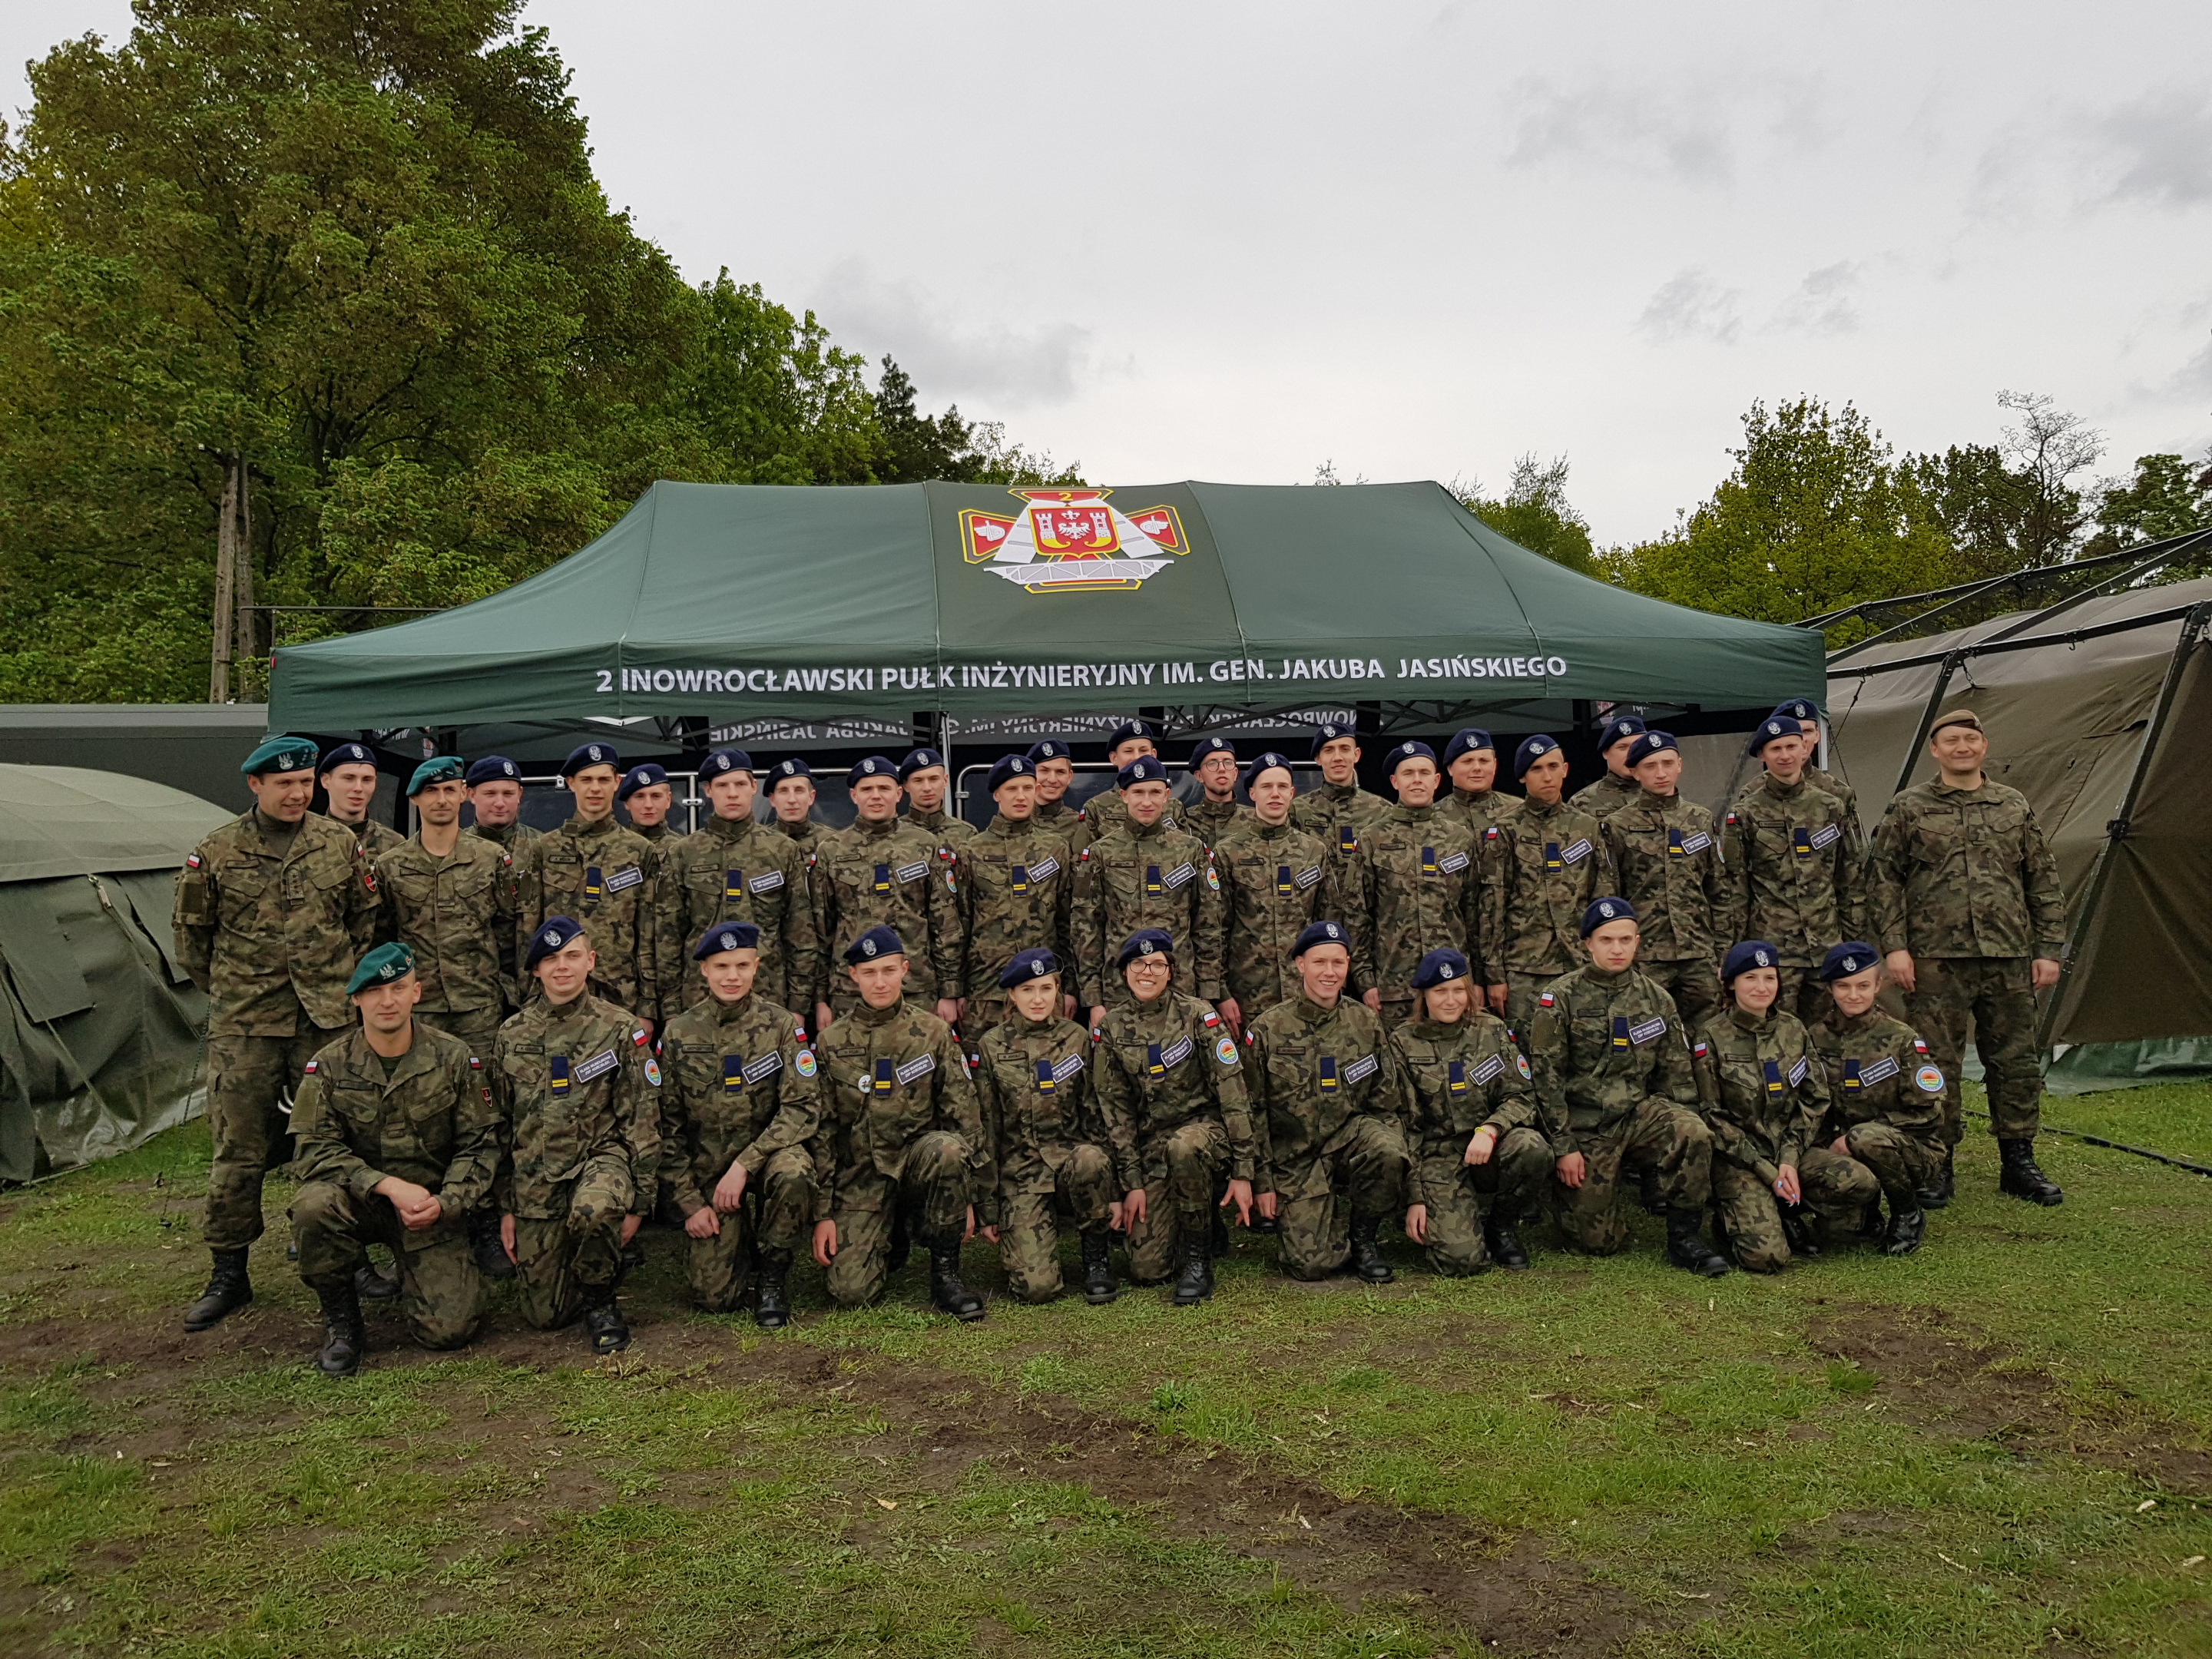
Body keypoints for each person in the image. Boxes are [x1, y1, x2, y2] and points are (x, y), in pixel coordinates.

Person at [173, 736, 380, 1331]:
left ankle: (349, 1256)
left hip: (325, 1020)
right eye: (283, 783)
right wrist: (241, 989)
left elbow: (363, 921)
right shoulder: (215, 852)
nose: (297, 792)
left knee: (336, 1143)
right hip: (247, 1023)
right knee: (238, 1149)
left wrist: (335, 979)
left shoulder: (338, 844)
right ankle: (229, 1272)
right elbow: (193, 941)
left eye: (305, 781)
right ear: (255, 785)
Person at [1866, 708, 2065, 1207]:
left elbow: (2041, 878)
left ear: (1983, 746)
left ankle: (2018, 1161)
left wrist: (2048, 949)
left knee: (2015, 1060)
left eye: (1970, 739)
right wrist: (1894, 948)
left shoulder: (2012, 805)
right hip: (1935, 959)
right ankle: (1938, 1163)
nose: (1962, 747)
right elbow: (1883, 881)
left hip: (2008, 955)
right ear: (1935, 750)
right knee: (1936, 1063)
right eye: (1951, 740)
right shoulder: (1909, 808)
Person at [286, 943, 498, 1374]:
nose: (388, 1001)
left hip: (429, 1208)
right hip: (358, 1201)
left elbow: (480, 1144)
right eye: (375, 991)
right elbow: (312, 1150)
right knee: (313, 1207)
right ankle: (343, 1321)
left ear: (416, 993)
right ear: (356, 1000)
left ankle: (417, 1273)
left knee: (449, 1331)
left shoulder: (454, 1057)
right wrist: (384, 1184)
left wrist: (448, 1202)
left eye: (398, 988)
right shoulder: (327, 1066)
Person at [372, 756, 521, 1277]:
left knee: (484, 1117)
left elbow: (509, 933)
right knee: (418, 1118)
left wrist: (504, 992)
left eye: (449, 790)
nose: (440, 800)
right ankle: (420, 1224)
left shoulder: (490, 861)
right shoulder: (390, 867)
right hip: (420, 1015)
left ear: (463, 796)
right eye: (429, 792)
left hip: (479, 1011)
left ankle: (483, 1220)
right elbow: (382, 939)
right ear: (414, 801)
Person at [1525, 898, 1730, 1276]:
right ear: (1587, 943)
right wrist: (1564, 1146)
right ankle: (1575, 1194)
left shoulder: (1657, 999)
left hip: (1637, 1114)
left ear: (1638, 942)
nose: (1616, 949)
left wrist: (1681, 1132)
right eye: (1606, 940)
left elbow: (1677, 1076)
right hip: (1585, 1125)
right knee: (1597, 1243)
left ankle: (1685, 1237)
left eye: (1624, 940)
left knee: (1692, 1131)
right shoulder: (1559, 998)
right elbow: (1546, 1079)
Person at [490, 918, 660, 1353]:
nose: (561, 967)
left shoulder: (620, 1029)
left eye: (571, 956)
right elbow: (499, 1125)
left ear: (591, 962)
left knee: (594, 1209)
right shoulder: (511, 1035)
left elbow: (641, 1117)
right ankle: (580, 1259)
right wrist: (507, 1206)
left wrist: (640, 1202)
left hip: (599, 1159)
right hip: (536, 1175)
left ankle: (602, 1300)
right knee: (544, 1315)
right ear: (535, 970)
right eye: (550, 959)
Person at [810, 926, 995, 1320]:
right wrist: (824, 1214)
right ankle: (889, 1235)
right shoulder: (831, 1042)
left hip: (917, 1164)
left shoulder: (933, 1032)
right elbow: (823, 1132)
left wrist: (975, 1199)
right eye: (870, 972)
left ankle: (946, 1274)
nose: (881, 982)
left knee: (947, 1149)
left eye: (889, 971)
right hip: (862, 1176)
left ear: (905, 970)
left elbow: (964, 1113)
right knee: (850, 1292)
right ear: (853, 976)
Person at [658, 922, 822, 1328]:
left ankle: (772, 1278)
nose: (732, 976)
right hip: (710, 1173)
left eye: (742, 965)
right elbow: (665, 1124)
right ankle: (739, 1242)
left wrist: (745, 1164)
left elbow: (801, 1107)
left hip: (766, 1158)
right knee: (714, 1297)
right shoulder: (679, 1033)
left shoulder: (781, 1026)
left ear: (756, 967)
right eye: (722, 966)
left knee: (795, 1171)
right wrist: (690, 1203)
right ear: (704, 970)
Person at [1090, 929, 1257, 1303]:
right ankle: (1199, 1223)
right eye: (1138, 964)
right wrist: (1132, 1183)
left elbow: (1233, 1092)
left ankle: (1199, 1261)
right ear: (1124, 971)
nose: (1146, 972)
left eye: (1157, 964)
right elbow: (1115, 1112)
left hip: (1205, 1135)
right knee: (1146, 1269)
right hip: (1153, 1146)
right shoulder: (1111, 1028)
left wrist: (1244, 1171)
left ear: (1170, 971)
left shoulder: (1199, 1016)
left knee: (1186, 1147)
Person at [1693, 940, 1876, 1273]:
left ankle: (1788, 1211)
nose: (1762, 988)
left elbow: (1815, 1098)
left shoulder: (1794, 1030)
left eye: (1769, 978)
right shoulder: (1711, 1036)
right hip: (1741, 1160)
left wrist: (1789, 1160)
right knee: (1768, 1258)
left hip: (1791, 1151)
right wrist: (1766, 1170)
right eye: (1750, 978)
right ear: (1731, 983)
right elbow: (1711, 1117)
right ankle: (1731, 1216)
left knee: (1859, 1182)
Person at [1245, 920, 1411, 1283]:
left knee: (1387, 1149)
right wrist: (1263, 1181)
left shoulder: (1365, 1022)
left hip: (1349, 1138)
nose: (1329, 972)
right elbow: (1252, 1113)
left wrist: (1404, 1170)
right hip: (1296, 1156)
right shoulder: (1267, 1029)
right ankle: (1326, 1223)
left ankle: (1364, 1237)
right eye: (1320, 962)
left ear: (1348, 965)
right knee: (1311, 1265)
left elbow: (1386, 1104)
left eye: (1338, 963)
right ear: (1300, 964)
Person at [972, 949, 1119, 1304]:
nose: (1038, 999)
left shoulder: (1078, 1039)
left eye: (1046, 988)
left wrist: (1113, 1191)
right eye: (1027, 990)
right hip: (1022, 1174)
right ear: (1011, 994)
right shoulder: (991, 1047)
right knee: (1036, 1289)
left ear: (1058, 991)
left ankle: (1096, 1257)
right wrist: (988, 1208)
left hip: (1071, 1163)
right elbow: (986, 1129)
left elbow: (1097, 1113)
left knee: (1090, 1159)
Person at [1393, 948, 1547, 1274]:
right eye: (1440, 992)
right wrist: (1415, 1197)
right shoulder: (1403, 1044)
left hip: (1488, 1149)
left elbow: (1523, 1097)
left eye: (1458, 990)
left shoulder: (1491, 1031)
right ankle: (1456, 1218)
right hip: (1438, 1158)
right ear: (1423, 995)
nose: (1450, 1000)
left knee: (1532, 1148)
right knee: (1461, 1260)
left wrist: (1491, 1129)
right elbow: (1403, 1127)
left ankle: (1501, 1226)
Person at [655, 748, 818, 1022]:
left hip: (769, 999)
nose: (732, 793)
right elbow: (667, 937)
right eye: (722, 785)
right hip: (699, 1001)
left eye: (740, 784)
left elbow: (800, 933)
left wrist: (799, 1006)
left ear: (754, 787)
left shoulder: (782, 850)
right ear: (708, 790)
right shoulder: (684, 853)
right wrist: (671, 1010)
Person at [1720, 717, 1863, 1022]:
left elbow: (1849, 878)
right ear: (1762, 756)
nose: (1784, 755)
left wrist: (1854, 941)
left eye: (1791, 746)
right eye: (1775, 749)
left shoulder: (1831, 807)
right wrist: (1734, 949)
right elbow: (1735, 887)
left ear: (1805, 749)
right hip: (1773, 950)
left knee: (1829, 1033)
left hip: (1827, 943)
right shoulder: (1745, 814)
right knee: (1775, 1033)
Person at [1069, 756, 1226, 1030]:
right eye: (1138, 792)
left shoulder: (1190, 850)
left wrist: (1208, 992)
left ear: (1166, 796)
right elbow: (1086, 927)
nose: (1146, 801)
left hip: (1180, 985)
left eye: (1154, 792)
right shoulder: (1101, 853)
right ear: (1124, 796)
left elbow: (1208, 924)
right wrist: (1093, 1000)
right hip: (1118, 987)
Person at [515, 743, 661, 1037]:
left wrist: (647, 1006)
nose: (595, 788)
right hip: (556, 993)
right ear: (571, 784)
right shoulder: (545, 849)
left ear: (617, 783)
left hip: (621, 996)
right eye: (586, 780)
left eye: (604, 780)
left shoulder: (639, 851)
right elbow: (528, 929)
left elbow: (649, 933)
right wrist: (529, 997)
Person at [810, 757, 963, 1030]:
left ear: (898, 793)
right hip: (850, 988)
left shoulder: (925, 845)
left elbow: (945, 923)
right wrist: (821, 997)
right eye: (867, 789)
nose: (876, 796)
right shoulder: (831, 850)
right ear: (854, 796)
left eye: (883, 788)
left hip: (916, 986)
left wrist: (950, 991)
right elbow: (821, 929)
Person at [1810, 942, 1944, 1253]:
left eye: (1863, 986)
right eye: (1843, 986)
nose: (1853, 995)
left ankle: (1907, 1212)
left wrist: (1860, 1135)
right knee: (1840, 1231)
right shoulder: (1815, 1037)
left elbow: (1931, 1113)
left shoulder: (1902, 1038)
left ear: (1878, 985)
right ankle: (1863, 1210)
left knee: (1866, 1138)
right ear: (1830, 988)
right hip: (1839, 1144)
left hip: (1909, 1148)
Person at [1483, 734, 1618, 1028]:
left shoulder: (1586, 826)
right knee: (1530, 1049)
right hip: (1525, 967)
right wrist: (1495, 975)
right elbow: (1493, 906)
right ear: (1522, 777)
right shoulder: (1506, 830)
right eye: (1537, 769)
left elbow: (1604, 897)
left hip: (1580, 961)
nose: (1547, 776)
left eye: (1553, 766)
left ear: (1565, 769)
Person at [1351, 741, 1485, 1030]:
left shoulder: (1460, 839)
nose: (1417, 780)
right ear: (1394, 781)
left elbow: (1474, 914)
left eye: (1424, 772)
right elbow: (1357, 915)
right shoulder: (1372, 839)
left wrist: (1477, 979)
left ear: (1437, 780)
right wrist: (1365, 981)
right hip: (1394, 984)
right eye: (1408, 773)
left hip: (1451, 982)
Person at [1212, 752, 1351, 1031]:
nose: (1274, 794)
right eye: (1266, 787)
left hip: (1307, 990)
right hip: (1247, 994)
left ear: (1292, 793)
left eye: (1281, 787)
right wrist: (1221, 992)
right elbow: (1214, 928)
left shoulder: (1314, 851)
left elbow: (1330, 922)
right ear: (1252, 792)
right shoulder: (1228, 852)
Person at [1601, 731, 1728, 1030]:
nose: (1660, 773)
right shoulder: (1617, 825)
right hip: (1646, 955)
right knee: (1647, 1036)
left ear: (1680, 765)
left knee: (1707, 1036)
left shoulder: (1700, 819)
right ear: (1634, 771)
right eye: (1650, 766)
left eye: (1667, 763)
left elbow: (1719, 890)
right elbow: (1609, 895)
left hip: (1698, 952)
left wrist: (1723, 952)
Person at [956, 753, 1076, 1037]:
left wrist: (1070, 987)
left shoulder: (1055, 848)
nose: (1021, 796)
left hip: (1044, 989)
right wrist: (954, 990)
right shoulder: (971, 851)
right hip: (986, 989)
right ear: (997, 794)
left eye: (1027, 788)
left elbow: (1069, 922)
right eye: (1012, 789)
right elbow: (958, 925)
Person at [1290, 719, 1390, 863]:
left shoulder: (1382, 810)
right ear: (1318, 758)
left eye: (1344, 749)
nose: (1337, 758)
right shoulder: (1298, 809)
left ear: (1356, 755)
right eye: (1329, 750)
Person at [1069, 720, 1174, 854]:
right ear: (1114, 758)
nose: (1136, 757)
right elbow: (1081, 859)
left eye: (1143, 750)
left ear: (1154, 755)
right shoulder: (1096, 807)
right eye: (1128, 751)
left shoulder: (1174, 806)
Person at [1770, 698, 1860, 842]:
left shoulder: (1839, 793)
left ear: (1817, 735)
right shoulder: (1754, 792)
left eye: (1808, 731)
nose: (1803, 740)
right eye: (1795, 732)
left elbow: (1852, 860)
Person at [320, 741, 406, 856]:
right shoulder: (308, 839)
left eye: (367, 780)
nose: (358, 788)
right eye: (349, 778)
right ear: (326, 781)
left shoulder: (393, 844)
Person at [1438, 728, 1520, 839]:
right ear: (1450, 768)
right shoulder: (1434, 816)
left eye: (1484, 761)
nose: (1477, 768)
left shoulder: (1518, 811)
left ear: (1495, 765)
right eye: (1467, 761)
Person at [1569, 714, 1647, 821]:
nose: (1631, 754)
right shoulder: (1582, 802)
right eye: (1622, 747)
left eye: (1637, 746)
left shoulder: (1660, 794)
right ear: (1606, 753)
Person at [1183, 735, 1250, 850]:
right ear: (1199, 775)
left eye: (1228, 762)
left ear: (1235, 773)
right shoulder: (1186, 821)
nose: (1222, 769)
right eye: (1212, 764)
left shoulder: (1254, 820)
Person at [899, 747, 976, 846]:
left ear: (945, 780)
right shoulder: (894, 834)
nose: (927, 788)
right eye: (918, 780)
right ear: (906, 785)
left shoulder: (966, 834)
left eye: (933, 779)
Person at [464, 756, 540, 851]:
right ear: (472, 795)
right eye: (490, 794)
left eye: (508, 794)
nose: (500, 803)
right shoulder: (455, 847)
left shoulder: (542, 847)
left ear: (519, 794)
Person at [767, 757, 827, 853]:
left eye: (799, 790)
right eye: (783, 791)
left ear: (811, 797)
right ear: (772, 799)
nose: (792, 800)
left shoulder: (832, 843)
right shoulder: (754, 844)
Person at [1028, 740, 1080, 831]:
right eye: (1044, 771)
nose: (1052, 780)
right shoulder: (1011, 822)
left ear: (1070, 777)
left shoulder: (1080, 826)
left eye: (1060, 772)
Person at [618, 763, 676, 843]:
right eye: (640, 797)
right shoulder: (609, 849)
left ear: (668, 800)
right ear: (627, 803)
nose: (648, 805)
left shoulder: (685, 849)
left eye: (656, 796)